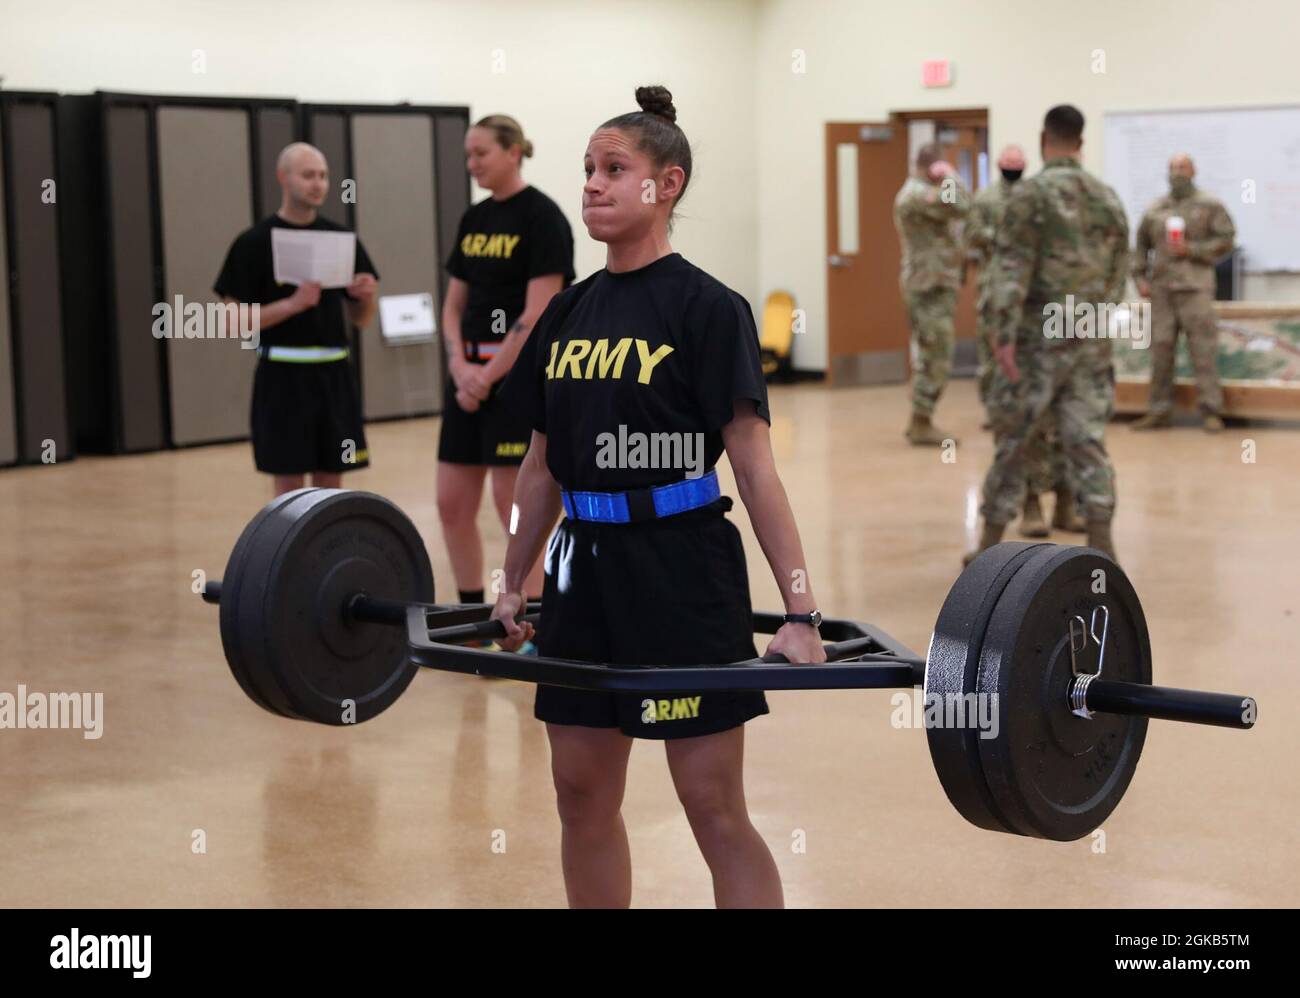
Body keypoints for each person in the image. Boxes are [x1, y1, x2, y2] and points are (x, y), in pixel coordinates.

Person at [490, 85, 826, 908]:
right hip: (581, 575)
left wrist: (801, 612)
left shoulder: (708, 309)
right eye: (587, 171)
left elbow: (753, 466)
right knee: (579, 793)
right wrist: (512, 579)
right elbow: (541, 467)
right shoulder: (566, 313)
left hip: (682, 568)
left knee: (711, 805)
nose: (593, 187)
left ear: (665, 185)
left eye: (615, 169)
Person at [966, 105, 1129, 565]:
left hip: (1037, 340)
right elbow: (1121, 273)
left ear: (1044, 140)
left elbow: (1011, 272)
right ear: (1080, 142)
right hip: (1088, 336)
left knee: (1015, 437)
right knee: (1087, 438)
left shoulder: (1029, 196)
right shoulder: (1107, 198)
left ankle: (988, 544)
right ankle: (1102, 544)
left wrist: (1001, 337)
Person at [439, 115, 575, 620]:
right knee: (451, 504)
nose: (472, 164)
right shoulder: (473, 220)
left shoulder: (542, 217)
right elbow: (453, 304)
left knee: (514, 507)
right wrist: (458, 363)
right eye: (468, 155)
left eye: (481, 154)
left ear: (513, 152)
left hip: (514, 379)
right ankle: (471, 615)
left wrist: (488, 374)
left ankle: (531, 616)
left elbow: (539, 309)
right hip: (465, 381)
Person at [215, 142, 378, 496]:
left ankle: (326, 552)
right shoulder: (254, 242)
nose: (317, 184)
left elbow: (362, 319)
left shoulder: (340, 238)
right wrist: (292, 305)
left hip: (334, 376)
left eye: (322, 176)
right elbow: (230, 320)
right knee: (289, 486)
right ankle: (290, 552)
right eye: (308, 176)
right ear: (283, 178)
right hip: (283, 378)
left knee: (332, 482)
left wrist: (363, 298)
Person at [966, 144, 1085, 536]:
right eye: (1009, 166)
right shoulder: (987, 201)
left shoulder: (1043, 200)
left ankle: (1065, 502)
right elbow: (972, 244)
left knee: (1062, 418)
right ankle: (1028, 505)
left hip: (1050, 316)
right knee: (1020, 421)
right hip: (1006, 315)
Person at [1131, 153, 1236, 433]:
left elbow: (1227, 239)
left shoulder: (1210, 205)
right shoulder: (1156, 209)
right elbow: (1140, 245)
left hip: (1195, 288)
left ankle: (1211, 411)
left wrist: (1194, 250)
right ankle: (1159, 410)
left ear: (1193, 171)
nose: (1177, 173)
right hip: (1162, 291)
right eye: (1172, 168)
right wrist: (1140, 277)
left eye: (1182, 168)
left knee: (1202, 351)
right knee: (1160, 352)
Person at [893, 142, 969, 445]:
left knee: (933, 352)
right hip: (926, 285)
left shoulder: (926, 190)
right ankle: (921, 422)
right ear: (931, 167)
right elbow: (962, 205)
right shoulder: (915, 195)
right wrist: (952, 176)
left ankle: (921, 419)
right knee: (936, 353)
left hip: (936, 282)